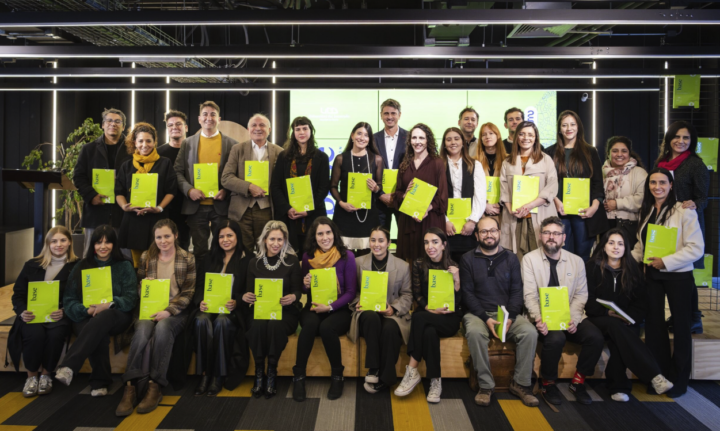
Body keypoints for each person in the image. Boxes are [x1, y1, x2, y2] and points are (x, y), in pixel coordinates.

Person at [631, 168, 704, 397]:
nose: (657, 187)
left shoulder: (684, 210)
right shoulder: (647, 210)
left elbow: (696, 248)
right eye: (653, 182)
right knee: (654, 327)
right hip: (652, 275)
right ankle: (658, 376)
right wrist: (621, 260)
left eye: (662, 182)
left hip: (678, 275)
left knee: (681, 327)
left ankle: (679, 379)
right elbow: (641, 246)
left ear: (671, 185)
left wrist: (667, 261)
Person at [115, 219, 196, 416]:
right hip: (150, 309)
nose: (163, 241)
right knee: (142, 331)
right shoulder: (146, 256)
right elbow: (138, 287)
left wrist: (168, 311)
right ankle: (130, 386)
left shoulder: (187, 258)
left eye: (167, 236)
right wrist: (144, 286)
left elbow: (188, 293)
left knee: (163, 328)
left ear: (175, 235)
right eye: (159, 237)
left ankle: (155, 385)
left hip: (175, 312)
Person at [522, 216, 604, 405]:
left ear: (564, 238)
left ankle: (578, 382)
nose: (551, 237)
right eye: (547, 233)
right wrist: (538, 318)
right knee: (556, 338)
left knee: (595, 337)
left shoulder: (577, 261)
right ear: (540, 236)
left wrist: (572, 318)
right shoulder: (529, 260)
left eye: (556, 233)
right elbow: (529, 295)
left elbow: (581, 295)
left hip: (570, 315)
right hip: (543, 317)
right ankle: (548, 383)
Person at [585, 228, 674, 402]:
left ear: (626, 248)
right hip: (599, 317)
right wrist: (607, 311)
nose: (615, 247)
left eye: (620, 244)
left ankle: (619, 387)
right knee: (616, 326)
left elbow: (641, 303)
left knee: (623, 334)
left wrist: (630, 317)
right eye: (611, 243)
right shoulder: (591, 267)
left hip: (625, 320)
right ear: (604, 246)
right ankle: (655, 376)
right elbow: (587, 299)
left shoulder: (633, 270)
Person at [461, 217, 539, 407]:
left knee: (529, 332)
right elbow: (467, 294)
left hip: (506, 313)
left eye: (492, 230)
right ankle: (485, 386)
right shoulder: (467, 259)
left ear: (499, 232)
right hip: (478, 314)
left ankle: (521, 384)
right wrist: (485, 318)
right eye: (484, 231)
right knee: (475, 332)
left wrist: (510, 317)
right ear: (477, 235)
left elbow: (516, 292)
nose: (489, 235)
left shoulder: (511, 258)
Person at [54, 225, 137, 396]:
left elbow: (130, 299)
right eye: (99, 242)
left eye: (107, 242)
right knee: (97, 328)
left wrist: (108, 304)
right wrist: (86, 310)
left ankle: (69, 366)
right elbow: (69, 300)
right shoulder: (81, 266)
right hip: (86, 316)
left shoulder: (124, 265)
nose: (103, 246)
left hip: (116, 315)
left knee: (104, 317)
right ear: (93, 245)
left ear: (114, 244)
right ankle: (100, 383)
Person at [7, 226, 79, 397]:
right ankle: (31, 377)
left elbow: (81, 296)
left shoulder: (77, 266)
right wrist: (22, 311)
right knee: (35, 334)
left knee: (55, 335)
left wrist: (64, 311)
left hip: (59, 315)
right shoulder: (32, 265)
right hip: (33, 314)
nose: (58, 245)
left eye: (63, 240)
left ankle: (46, 375)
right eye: (54, 241)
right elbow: (18, 295)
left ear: (70, 242)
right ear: (48, 244)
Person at [394, 228, 461, 404]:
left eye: (435, 242)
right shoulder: (418, 264)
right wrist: (430, 309)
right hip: (427, 313)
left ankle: (412, 369)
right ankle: (435, 380)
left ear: (444, 245)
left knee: (418, 318)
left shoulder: (454, 266)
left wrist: (457, 280)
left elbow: (459, 302)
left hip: (448, 318)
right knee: (429, 332)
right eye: (426, 242)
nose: (430, 246)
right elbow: (417, 295)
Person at [654, 121, 709, 334]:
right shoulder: (662, 162)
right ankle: (678, 315)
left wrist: (695, 204)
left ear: (691, 141)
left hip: (686, 221)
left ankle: (693, 317)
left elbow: (703, 197)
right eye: (677, 137)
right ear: (669, 139)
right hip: (665, 221)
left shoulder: (695, 164)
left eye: (686, 138)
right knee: (671, 271)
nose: (681, 141)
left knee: (686, 272)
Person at [294, 217, 357, 401]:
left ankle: (337, 376)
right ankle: (298, 376)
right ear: (314, 237)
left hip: (339, 309)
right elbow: (304, 289)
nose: (325, 237)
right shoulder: (308, 257)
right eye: (320, 234)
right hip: (314, 306)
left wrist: (329, 307)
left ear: (334, 233)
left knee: (326, 328)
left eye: (328, 232)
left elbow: (351, 292)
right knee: (309, 326)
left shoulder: (347, 256)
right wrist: (305, 284)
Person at [349, 226, 412, 394]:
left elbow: (407, 295)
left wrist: (393, 309)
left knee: (390, 329)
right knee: (371, 318)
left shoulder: (403, 266)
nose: (376, 244)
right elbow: (352, 290)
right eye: (373, 240)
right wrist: (357, 302)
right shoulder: (358, 263)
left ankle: (386, 379)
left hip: (391, 313)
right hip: (367, 312)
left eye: (381, 240)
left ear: (389, 243)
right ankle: (374, 368)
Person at [192, 220, 251, 396]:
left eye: (229, 235)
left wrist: (237, 301)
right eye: (221, 236)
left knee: (222, 322)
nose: (225, 240)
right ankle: (204, 374)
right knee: (200, 320)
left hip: (234, 311)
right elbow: (199, 287)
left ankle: (219, 375)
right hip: (210, 307)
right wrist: (200, 301)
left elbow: (250, 290)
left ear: (237, 236)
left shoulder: (248, 259)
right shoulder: (208, 258)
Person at [175, 101, 239, 263]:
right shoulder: (187, 143)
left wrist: (226, 190)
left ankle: (221, 277)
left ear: (219, 119)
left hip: (221, 206)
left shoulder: (232, 144)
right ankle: (201, 279)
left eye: (213, 114)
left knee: (224, 249)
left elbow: (238, 174)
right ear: (199, 119)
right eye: (205, 114)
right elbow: (177, 171)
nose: (208, 118)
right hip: (195, 207)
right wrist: (189, 190)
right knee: (199, 250)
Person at [544, 110, 609, 262]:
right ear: (559, 128)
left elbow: (597, 182)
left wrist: (594, 206)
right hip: (559, 212)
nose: (569, 128)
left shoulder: (590, 151)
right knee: (561, 256)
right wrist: (555, 200)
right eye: (564, 125)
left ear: (578, 127)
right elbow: (546, 183)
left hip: (584, 213)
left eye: (572, 124)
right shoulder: (549, 152)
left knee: (582, 256)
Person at [115, 122, 177, 268]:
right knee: (137, 264)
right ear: (135, 143)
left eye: (148, 141)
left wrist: (159, 208)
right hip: (133, 219)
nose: (145, 145)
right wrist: (124, 206)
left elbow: (171, 191)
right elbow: (119, 192)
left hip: (157, 219)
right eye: (141, 141)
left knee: (158, 261)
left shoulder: (165, 163)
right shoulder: (126, 165)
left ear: (154, 142)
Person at [222, 113, 283, 253]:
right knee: (242, 252)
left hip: (267, 209)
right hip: (241, 210)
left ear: (269, 129)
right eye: (254, 125)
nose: (258, 128)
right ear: (248, 129)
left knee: (267, 251)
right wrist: (248, 187)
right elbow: (226, 177)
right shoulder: (237, 149)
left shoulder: (279, 152)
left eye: (262, 125)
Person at [73, 108, 131, 255]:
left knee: (124, 256)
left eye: (117, 121)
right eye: (109, 121)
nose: (113, 124)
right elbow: (78, 176)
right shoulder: (88, 149)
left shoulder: (132, 149)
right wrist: (91, 196)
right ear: (103, 125)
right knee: (92, 255)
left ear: (123, 126)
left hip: (123, 211)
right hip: (95, 211)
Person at [499, 121, 558, 262]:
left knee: (542, 258)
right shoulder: (507, 162)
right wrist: (510, 209)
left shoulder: (546, 159)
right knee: (516, 259)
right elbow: (504, 189)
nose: (526, 138)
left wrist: (530, 206)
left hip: (540, 215)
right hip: (515, 216)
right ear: (516, 137)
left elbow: (552, 186)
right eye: (522, 134)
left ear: (536, 138)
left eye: (530, 135)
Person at [271, 116, 330, 253]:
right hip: (288, 216)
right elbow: (276, 186)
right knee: (289, 254)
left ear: (311, 131)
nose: (301, 132)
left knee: (313, 253)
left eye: (305, 128)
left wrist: (308, 210)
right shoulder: (283, 157)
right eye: (297, 129)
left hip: (313, 215)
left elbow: (323, 188)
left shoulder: (321, 157)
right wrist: (287, 209)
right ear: (293, 133)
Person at [393, 124, 449, 263]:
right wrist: (405, 195)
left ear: (428, 140)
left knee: (430, 260)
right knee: (409, 262)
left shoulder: (437, 163)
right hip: (408, 220)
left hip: (430, 218)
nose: (417, 141)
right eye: (414, 138)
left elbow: (442, 197)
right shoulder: (404, 164)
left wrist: (426, 209)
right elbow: (397, 193)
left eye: (421, 138)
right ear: (409, 140)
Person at [330, 122, 384, 251]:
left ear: (369, 139)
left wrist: (376, 188)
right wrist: (341, 203)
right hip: (344, 214)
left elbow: (379, 186)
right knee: (343, 255)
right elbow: (333, 186)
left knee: (366, 256)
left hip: (368, 215)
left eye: (366, 135)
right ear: (352, 135)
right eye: (359, 133)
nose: (362, 138)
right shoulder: (341, 158)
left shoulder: (377, 159)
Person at [440, 127, 486, 263]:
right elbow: (435, 196)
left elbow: (480, 195)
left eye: (456, 139)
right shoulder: (438, 164)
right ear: (444, 143)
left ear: (462, 142)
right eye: (448, 139)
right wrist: (445, 221)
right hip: (445, 224)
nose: (453, 142)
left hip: (469, 225)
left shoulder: (474, 164)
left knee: (469, 264)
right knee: (446, 264)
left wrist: (473, 221)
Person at [602, 136, 647, 251]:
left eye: (624, 151)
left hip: (629, 225)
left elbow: (642, 199)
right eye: (615, 151)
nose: (619, 154)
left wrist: (617, 204)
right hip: (604, 224)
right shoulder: (600, 172)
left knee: (626, 258)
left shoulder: (639, 173)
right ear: (608, 153)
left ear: (629, 153)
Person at [158, 110, 191, 251]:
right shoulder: (158, 153)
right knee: (164, 246)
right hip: (166, 208)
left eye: (178, 124)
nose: (174, 127)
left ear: (186, 127)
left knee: (184, 245)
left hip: (189, 206)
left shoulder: (194, 150)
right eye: (170, 125)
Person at [374, 99, 408, 233]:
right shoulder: (372, 139)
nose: (389, 117)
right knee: (380, 236)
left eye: (393, 113)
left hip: (404, 197)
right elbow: (370, 168)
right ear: (381, 115)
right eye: (386, 113)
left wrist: (400, 195)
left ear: (399, 115)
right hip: (379, 198)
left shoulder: (410, 138)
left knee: (406, 237)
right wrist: (380, 194)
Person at [476, 122, 508, 218]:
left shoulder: (509, 160)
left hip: (505, 209)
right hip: (480, 210)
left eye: (491, 133)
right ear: (481, 139)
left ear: (498, 136)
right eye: (484, 134)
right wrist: (485, 205)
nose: (487, 136)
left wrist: (501, 204)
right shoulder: (473, 161)